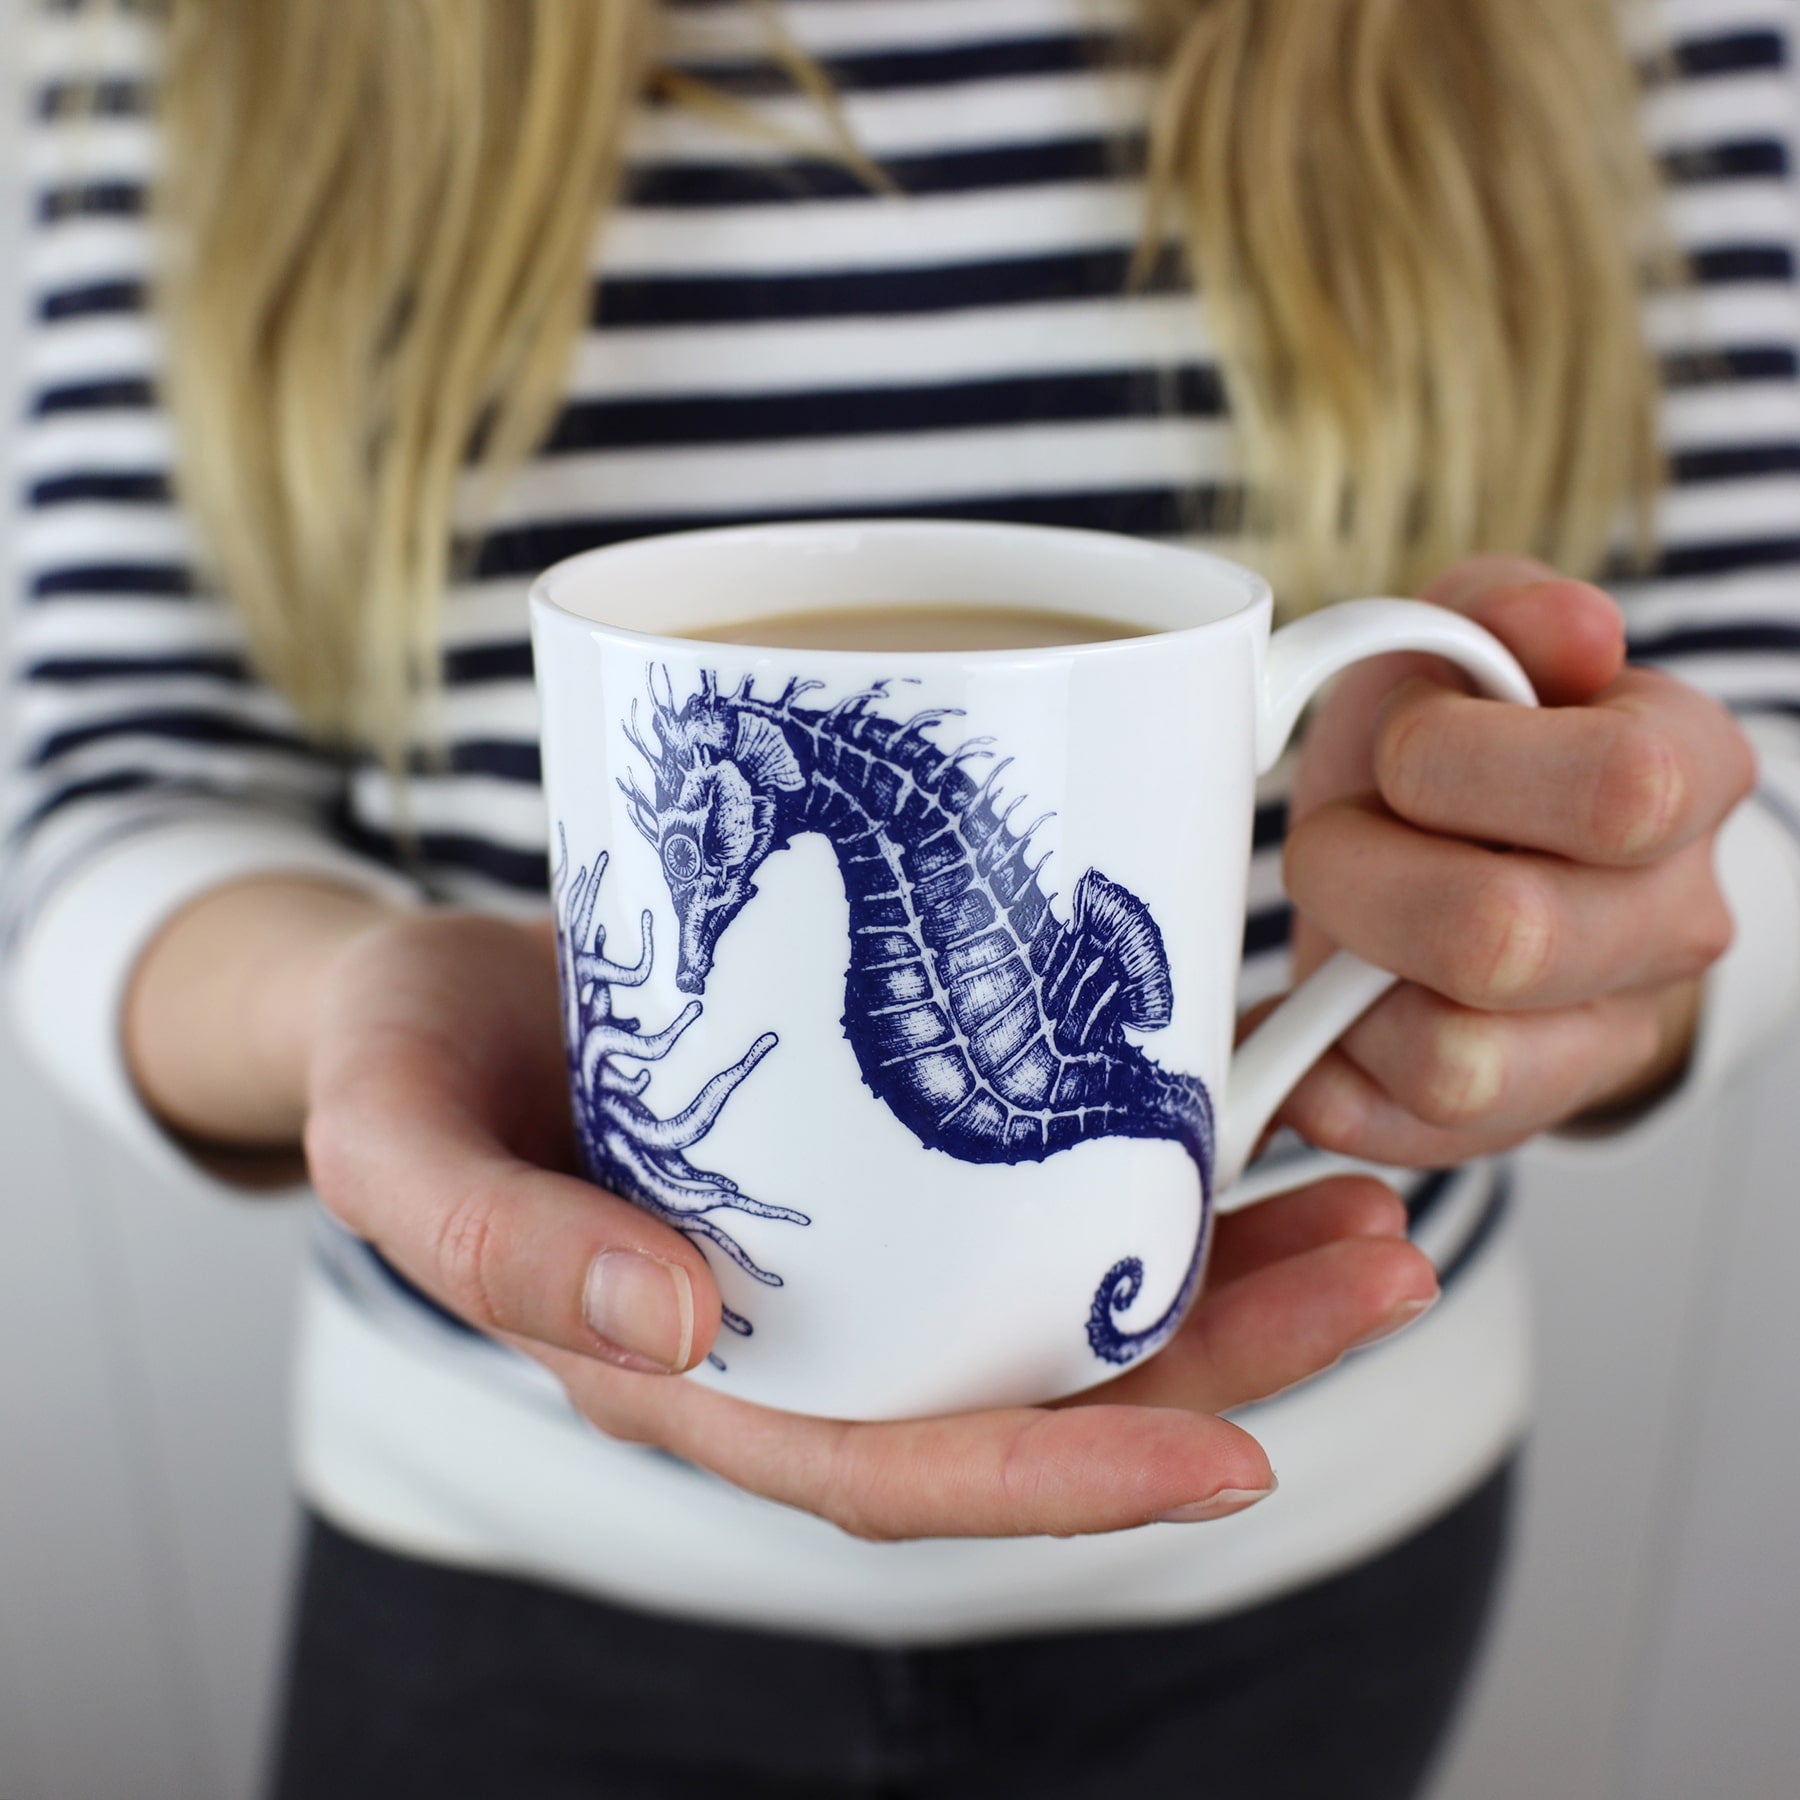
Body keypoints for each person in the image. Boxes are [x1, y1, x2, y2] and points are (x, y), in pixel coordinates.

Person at [10, 2, 1800, 1795]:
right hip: (499, 1551)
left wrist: (1576, 927)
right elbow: (108, 787)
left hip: (1308, 1540)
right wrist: (347, 1008)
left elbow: (1745, 742)